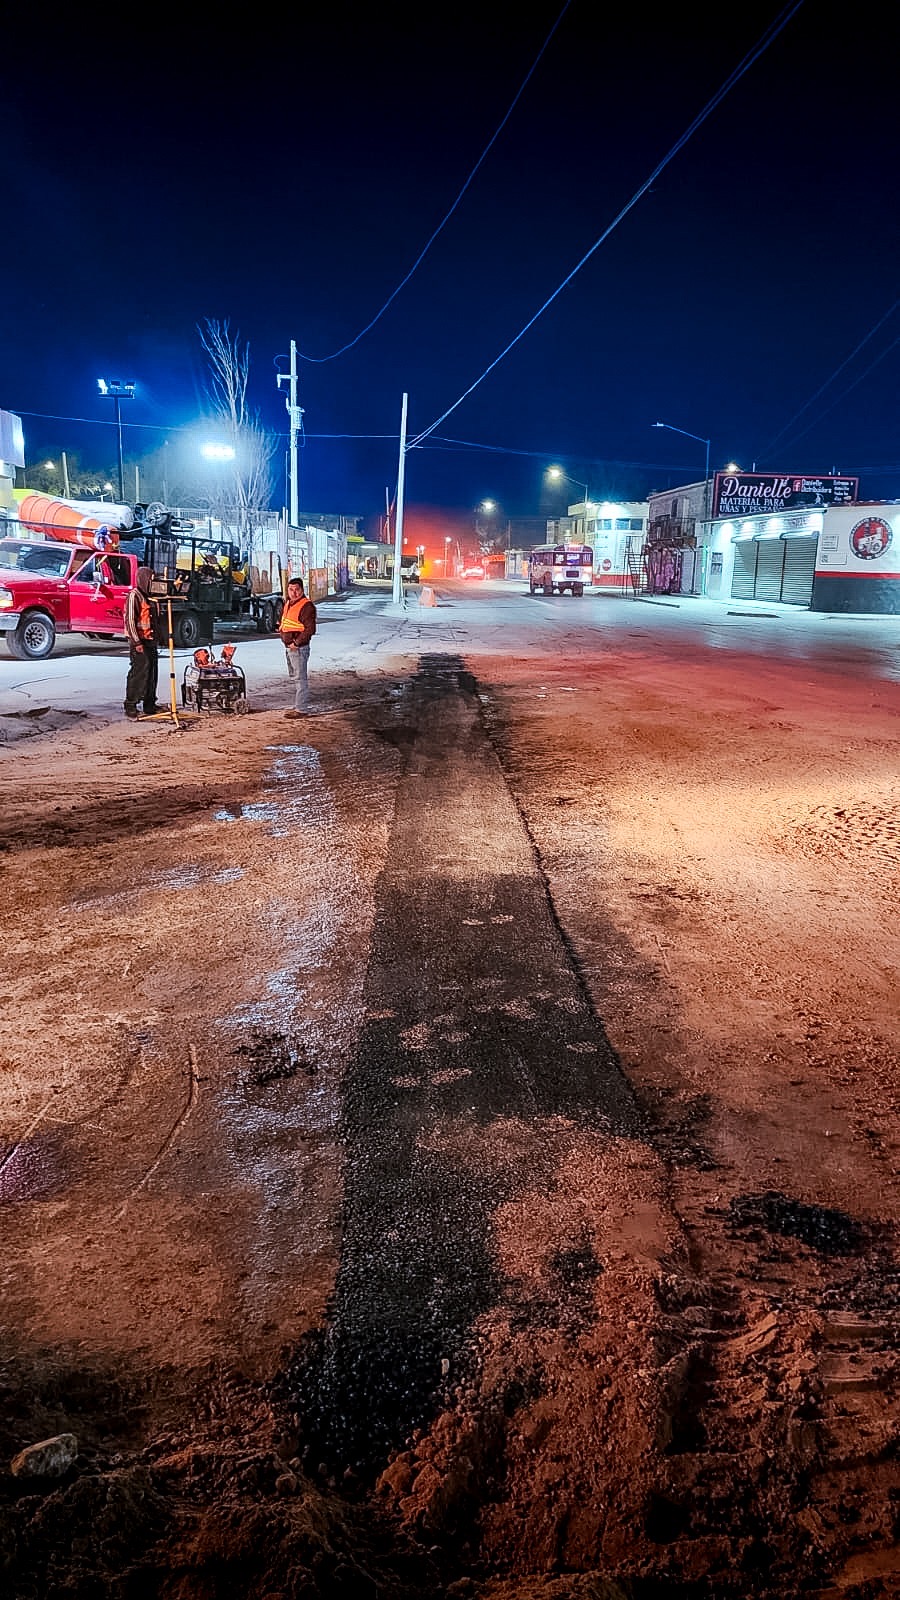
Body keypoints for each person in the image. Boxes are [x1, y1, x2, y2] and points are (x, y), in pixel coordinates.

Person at [123, 566, 160, 720]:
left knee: (152, 673)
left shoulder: (150, 597)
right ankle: (131, 704)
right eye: (151, 579)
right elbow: (130, 620)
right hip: (139, 641)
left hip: (150, 640)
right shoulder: (134, 595)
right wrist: (136, 642)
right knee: (139, 673)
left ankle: (149, 704)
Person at [279, 576, 317, 716]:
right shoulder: (288, 603)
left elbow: (310, 629)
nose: (294, 592)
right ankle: (300, 706)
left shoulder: (306, 606)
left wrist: (296, 643)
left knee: (300, 679)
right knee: (295, 677)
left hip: (298, 649)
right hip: (290, 648)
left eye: (297, 589)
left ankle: (301, 709)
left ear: (302, 590)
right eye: (291, 589)